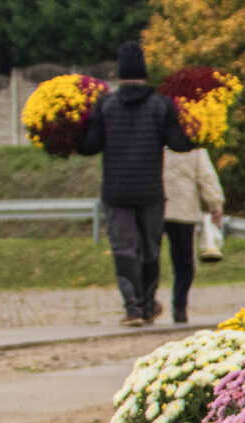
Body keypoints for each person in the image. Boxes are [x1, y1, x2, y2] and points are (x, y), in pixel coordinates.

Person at [78, 40, 192, 326]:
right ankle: (147, 305)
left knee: (123, 249)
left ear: (119, 72)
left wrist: (72, 130)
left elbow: (90, 146)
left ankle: (132, 307)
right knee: (150, 249)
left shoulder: (106, 105)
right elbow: (178, 144)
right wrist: (196, 126)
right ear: (144, 71)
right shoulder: (160, 105)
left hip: (116, 191)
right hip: (151, 191)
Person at [162, 141, 225, 325]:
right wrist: (215, 205)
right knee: (184, 262)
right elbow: (207, 178)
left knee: (149, 258)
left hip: (155, 208)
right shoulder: (196, 149)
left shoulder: (156, 142)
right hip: (184, 211)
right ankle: (179, 306)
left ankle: (146, 304)